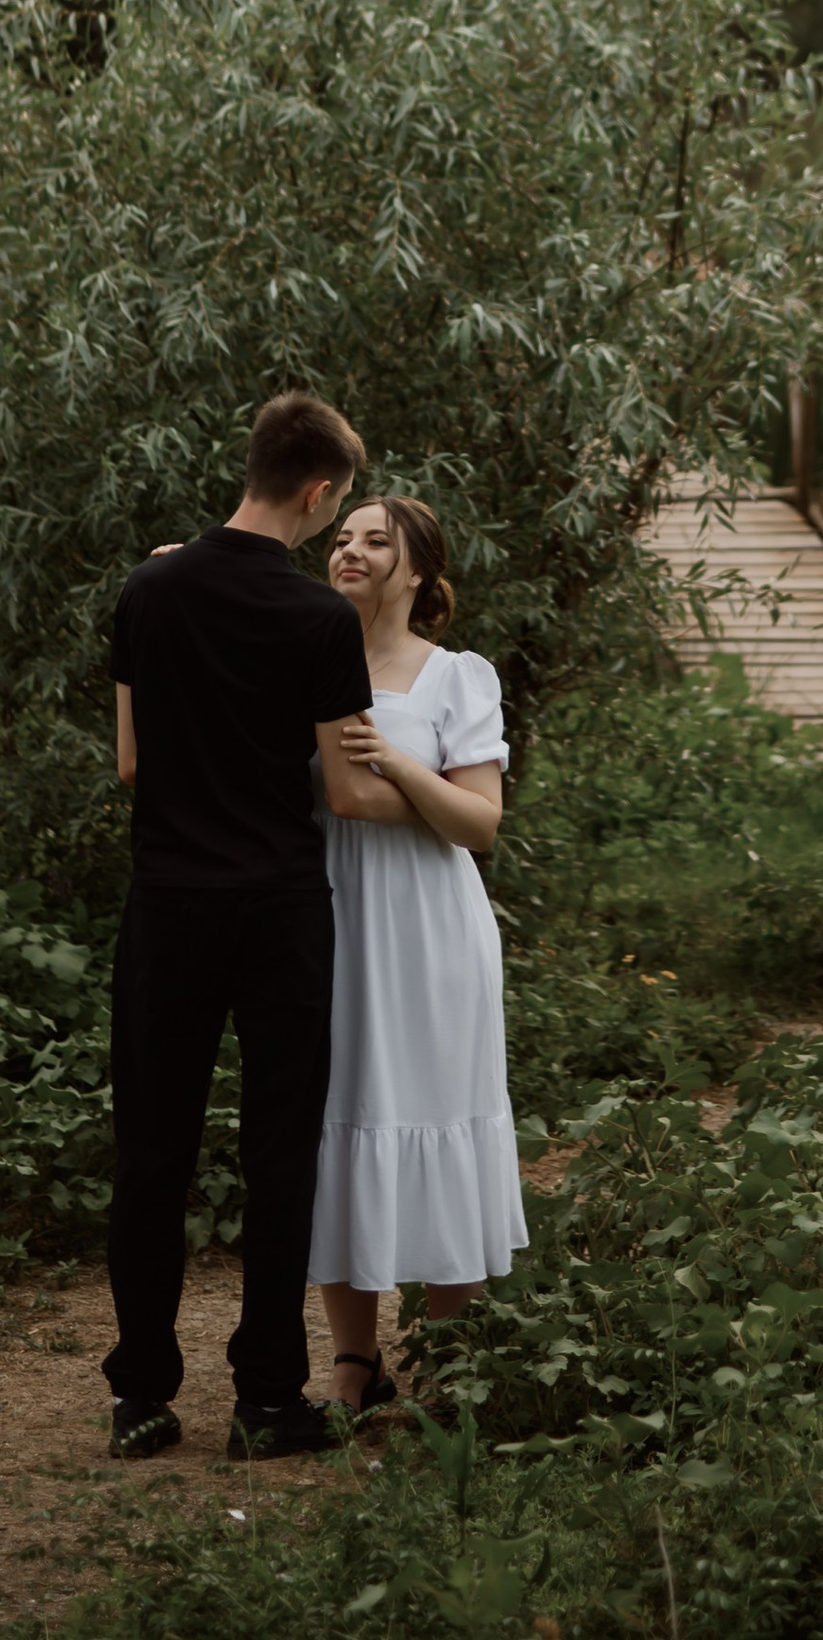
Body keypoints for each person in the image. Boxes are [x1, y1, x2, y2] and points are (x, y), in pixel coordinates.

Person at [101, 389, 375, 1464]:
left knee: (152, 1153)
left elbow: (130, 764)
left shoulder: (149, 589)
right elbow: (347, 794)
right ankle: (266, 1398)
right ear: (316, 491)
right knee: (277, 1154)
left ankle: (140, 1396)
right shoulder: (319, 620)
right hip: (277, 910)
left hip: (168, 905)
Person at [308, 495, 528, 1408]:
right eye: (341, 538)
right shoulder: (301, 657)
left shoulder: (453, 677)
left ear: (419, 573)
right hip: (330, 916)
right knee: (342, 1110)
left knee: (438, 1108)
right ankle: (356, 1362)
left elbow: (479, 824)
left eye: (375, 541)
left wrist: (400, 764)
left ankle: (451, 1357)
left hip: (431, 928)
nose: (350, 552)